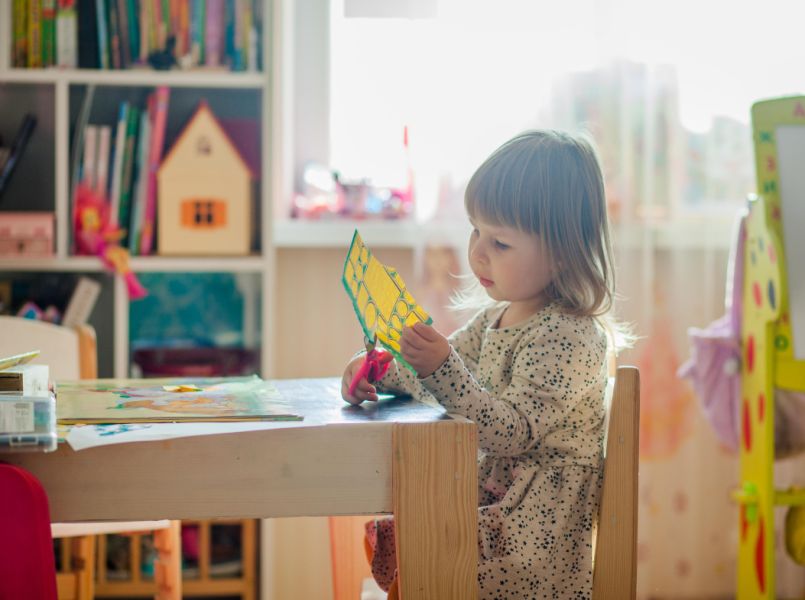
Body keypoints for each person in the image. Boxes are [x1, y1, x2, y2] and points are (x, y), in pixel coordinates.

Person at [341, 129, 623, 599]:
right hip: (494, 507)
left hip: (530, 540)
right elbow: (432, 375)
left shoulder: (570, 335)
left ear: (563, 251)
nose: (476, 252)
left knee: (422, 540)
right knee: (406, 525)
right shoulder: (494, 318)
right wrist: (375, 370)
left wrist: (442, 367)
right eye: (475, 230)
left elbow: (511, 432)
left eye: (500, 243)